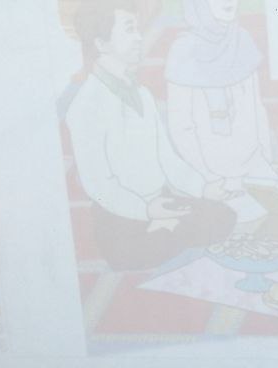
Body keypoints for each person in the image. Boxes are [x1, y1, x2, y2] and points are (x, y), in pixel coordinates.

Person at [65, 0, 237, 270]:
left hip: (163, 205)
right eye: (129, 29)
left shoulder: (143, 95)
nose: (138, 38)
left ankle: (168, 229)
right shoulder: (85, 106)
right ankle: (165, 232)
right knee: (141, 249)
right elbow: (99, 186)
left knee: (223, 216)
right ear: (101, 43)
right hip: (121, 220)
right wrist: (146, 211)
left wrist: (204, 188)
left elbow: (169, 161)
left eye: (138, 29)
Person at [163, 0, 276, 224]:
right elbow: (181, 127)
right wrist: (208, 178)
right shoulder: (183, 51)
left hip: (254, 169)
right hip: (213, 179)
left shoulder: (243, 40)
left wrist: (266, 161)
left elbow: (256, 109)